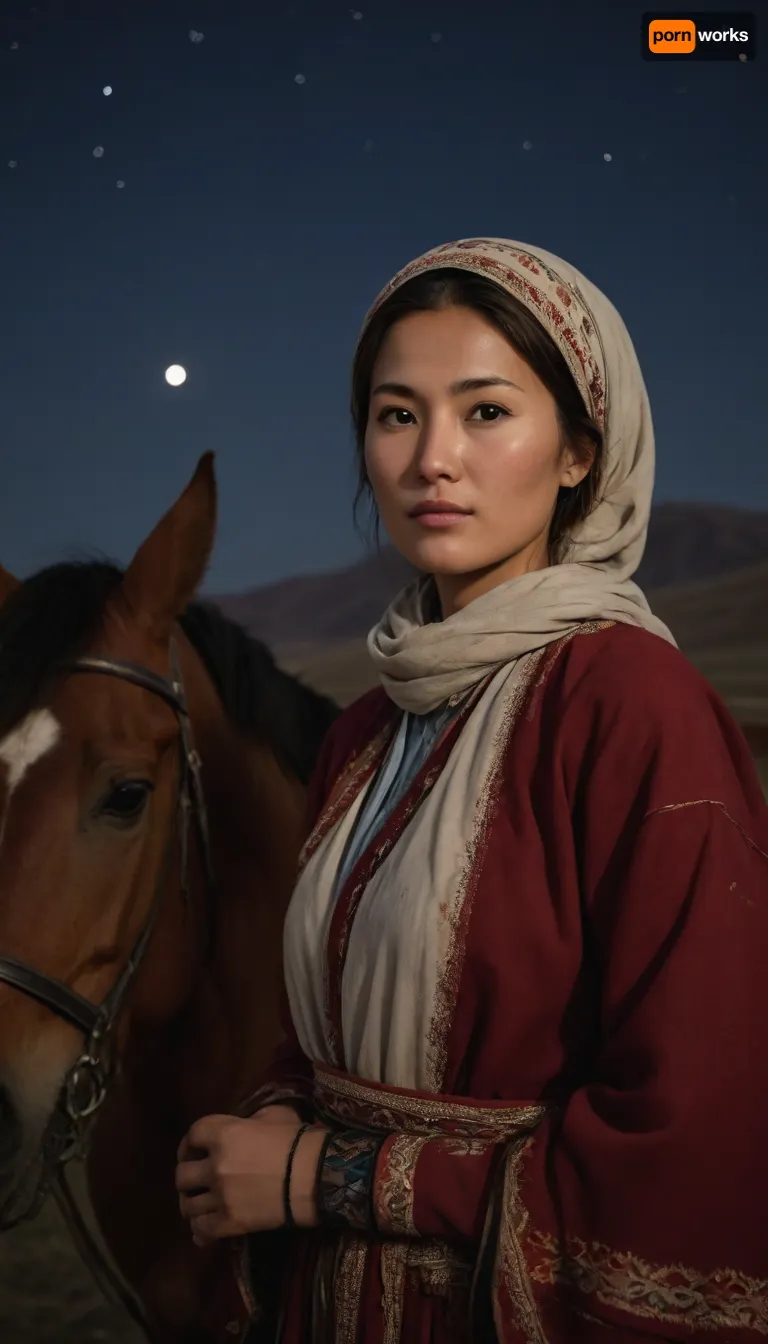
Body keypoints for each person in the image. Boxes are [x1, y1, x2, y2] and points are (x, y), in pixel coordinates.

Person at [175, 238, 768, 1342]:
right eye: (397, 414)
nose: (431, 459)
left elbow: (691, 1133)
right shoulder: (366, 727)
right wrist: (261, 1126)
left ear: (581, 451)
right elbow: (323, 1032)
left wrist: (324, 1179)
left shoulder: (632, 705)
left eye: (486, 412)